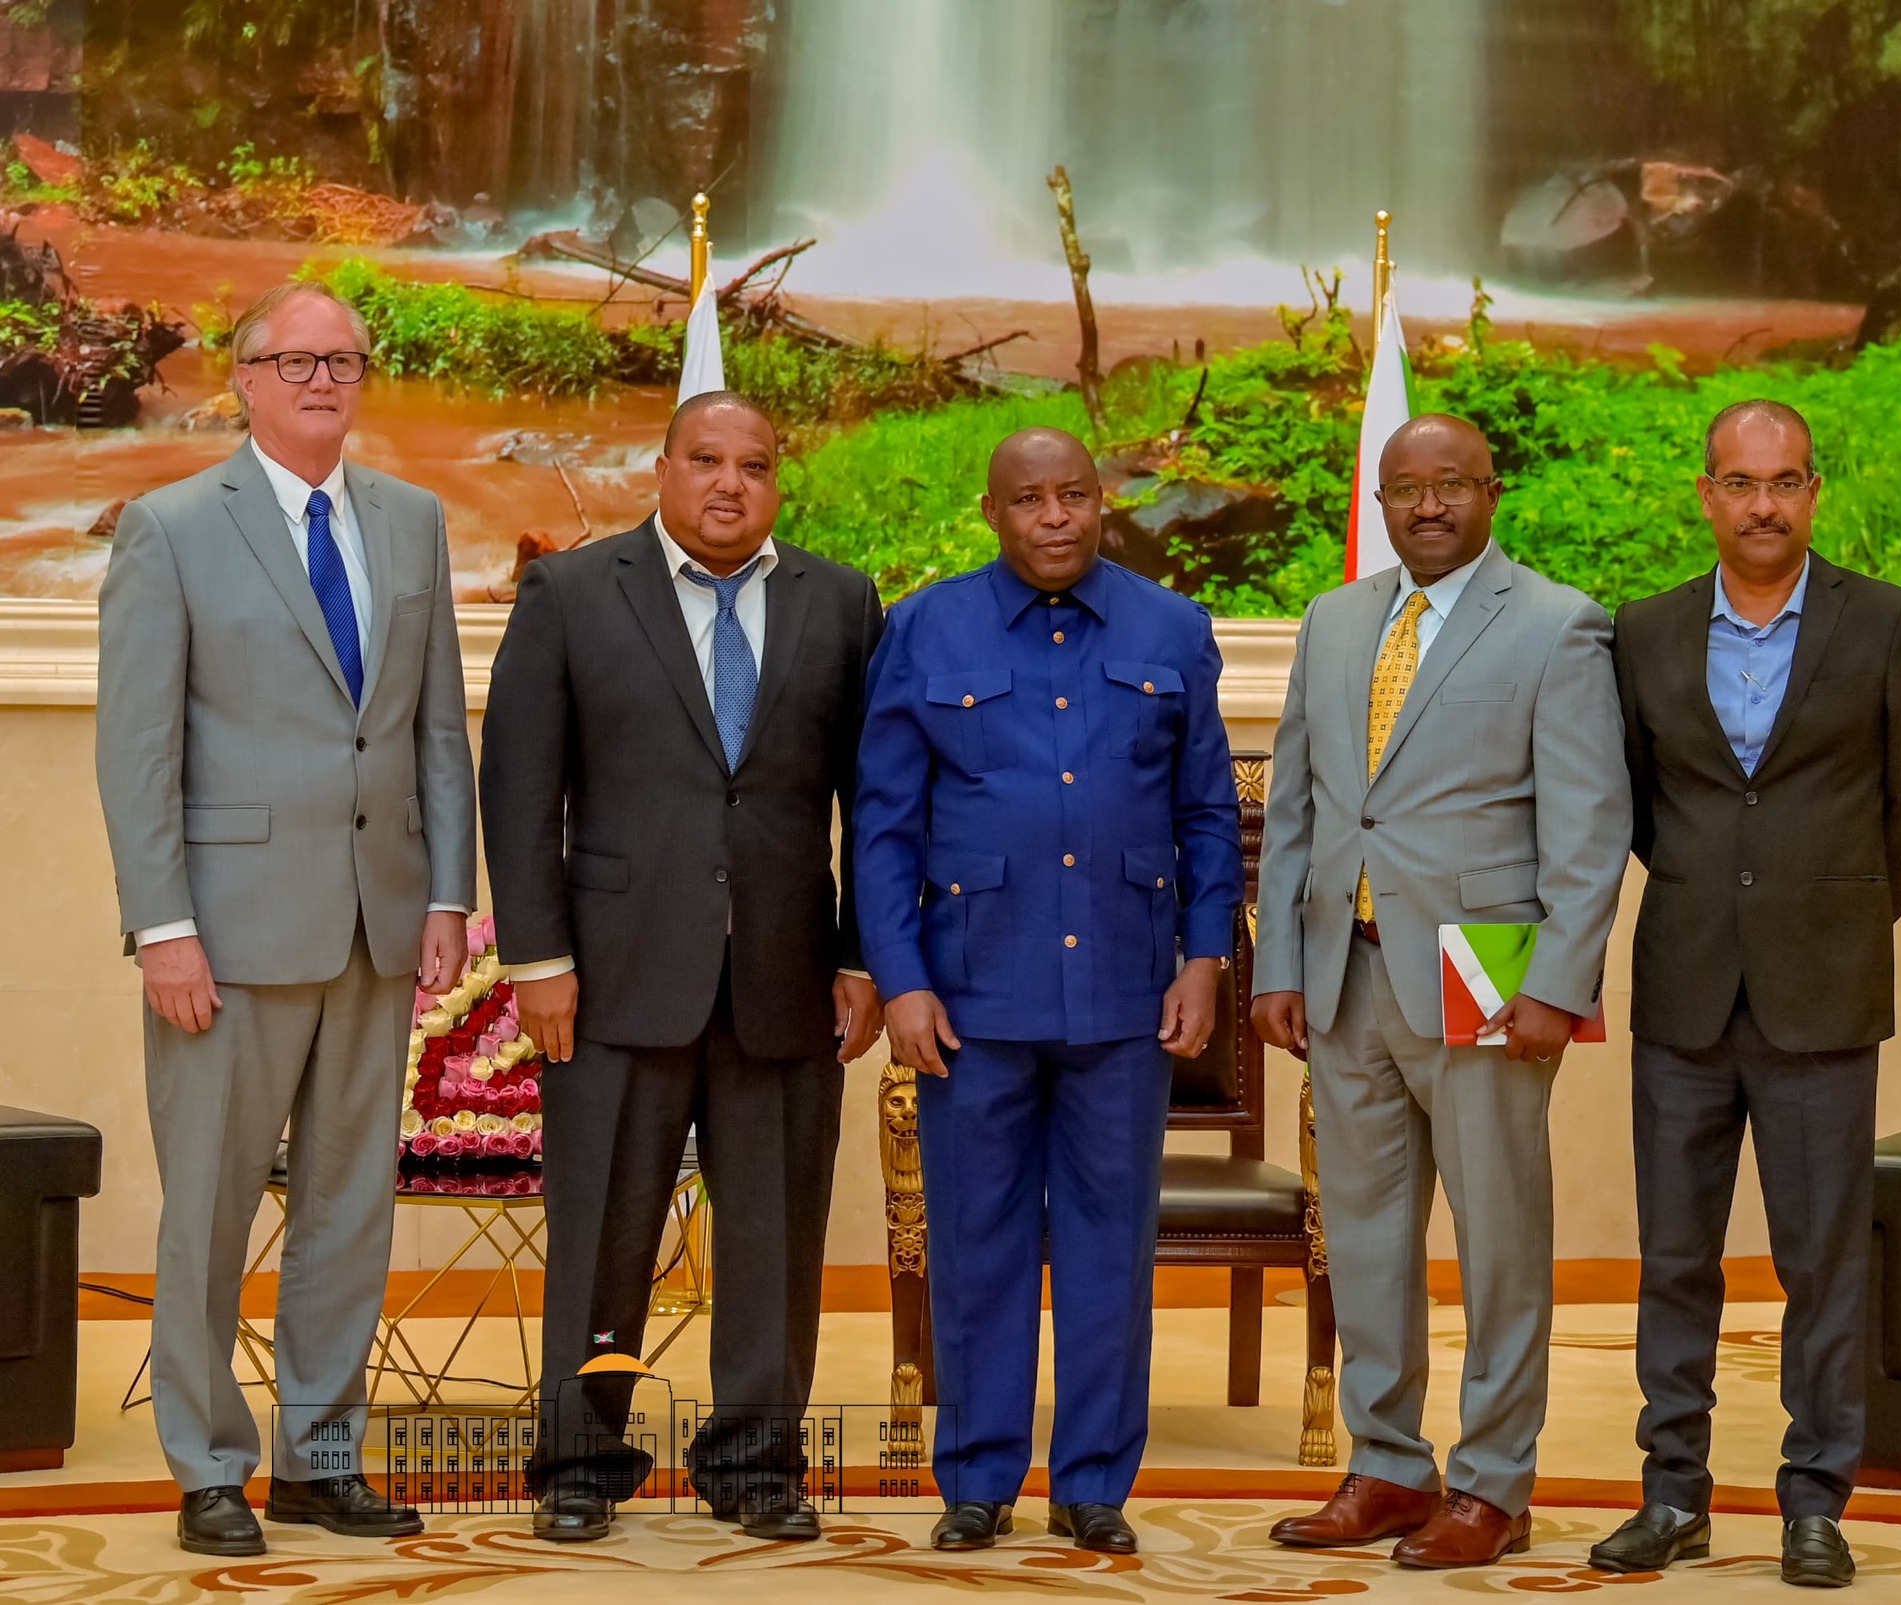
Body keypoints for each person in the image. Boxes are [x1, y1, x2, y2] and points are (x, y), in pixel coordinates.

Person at [95, 281, 474, 1556]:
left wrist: (446, 892)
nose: (321, 380)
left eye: (344, 361)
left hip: (379, 925)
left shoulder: (413, 524)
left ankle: (320, 1456)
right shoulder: (168, 528)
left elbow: (434, 733)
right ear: (243, 379)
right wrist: (161, 927)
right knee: (206, 1207)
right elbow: (135, 749)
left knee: (346, 1208)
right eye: (293, 360)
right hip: (228, 931)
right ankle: (208, 1466)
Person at [479, 389, 883, 1543]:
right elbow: (518, 790)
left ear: (776, 482)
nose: (726, 485)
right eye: (703, 460)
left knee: (773, 1237)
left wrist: (859, 954)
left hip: (783, 978)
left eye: (752, 466)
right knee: (605, 1231)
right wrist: (538, 957)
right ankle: (580, 1461)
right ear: (659, 469)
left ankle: (755, 1465)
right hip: (610, 978)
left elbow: (879, 799)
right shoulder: (569, 592)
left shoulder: (841, 601)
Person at [854, 427, 1243, 1556]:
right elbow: (882, 824)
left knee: (1106, 1245)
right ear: (993, 513)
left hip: (1124, 994)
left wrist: (1205, 957)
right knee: (974, 1243)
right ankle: (974, 1481)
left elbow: (1205, 811)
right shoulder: (926, 628)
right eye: (1030, 499)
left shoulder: (1169, 627)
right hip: (970, 996)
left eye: (1075, 494)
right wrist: (901, 982)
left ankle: (1091, 1487)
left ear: (1103, 500)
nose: (1057, 517)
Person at [1254, 414, 1631, 1568]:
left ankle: (1492, 1484)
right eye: (1404, 488)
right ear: (1379, 501)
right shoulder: (1331, 621)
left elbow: (1587, 826)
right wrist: (1276, 962)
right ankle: (1383, 1469)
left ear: (1490, 492)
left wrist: (1556, 986)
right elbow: (1298, 809)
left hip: (1486, 974)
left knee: (1497, 1238)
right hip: (1343, 974)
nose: (1427, 506)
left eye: (1450, 486)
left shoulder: (1558, 625)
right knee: (1363, 1238)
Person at [1590, 400, 1901, 1589]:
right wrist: (1722, 898)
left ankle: (1814, 1500)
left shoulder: (1884, 622)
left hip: (1823, 992)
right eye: (1740, 483)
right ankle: (1671, 1493)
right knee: (1675, 1257)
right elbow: (1637, 805)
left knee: (1819, 1262)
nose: (1762, 504)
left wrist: (1833, 911)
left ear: (1813, 491)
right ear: (1703, 493)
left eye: (1785, 482)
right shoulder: (1639, 633)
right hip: (1684, 989)